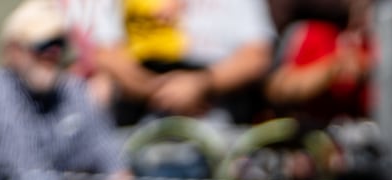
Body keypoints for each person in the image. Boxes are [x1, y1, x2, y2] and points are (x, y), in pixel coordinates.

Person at [0, 0, 139, 180]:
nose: (51, 53)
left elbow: (114, 167)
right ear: (13, 50)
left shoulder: (76, 94)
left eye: (58, 44)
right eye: (41, 45)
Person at [89, 0, 276, 125]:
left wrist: (200, 84)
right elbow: (104, 53)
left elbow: (258, 56)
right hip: (140, 117)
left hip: (214, 118)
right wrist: (156, 90)